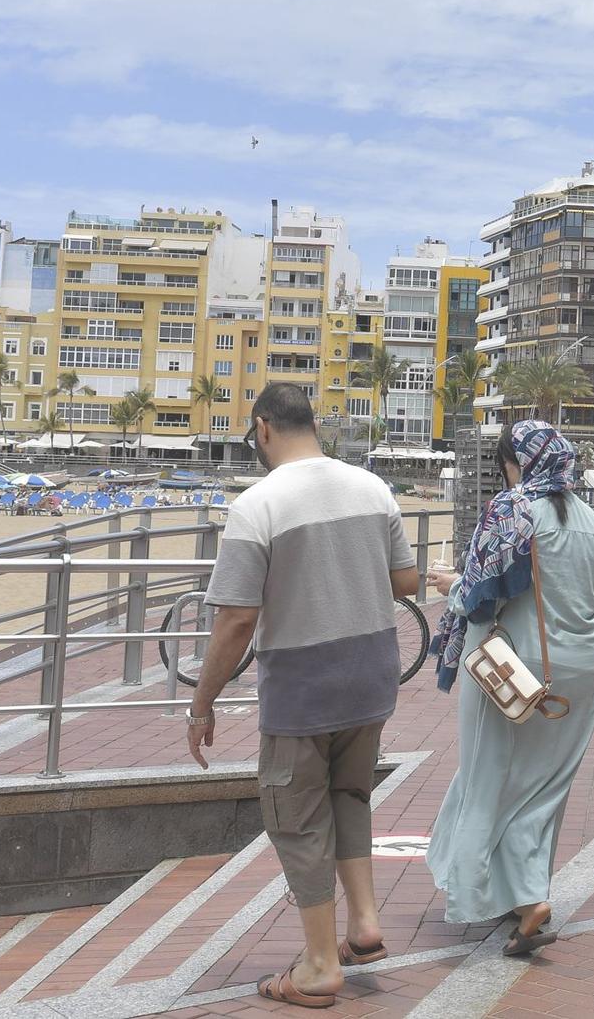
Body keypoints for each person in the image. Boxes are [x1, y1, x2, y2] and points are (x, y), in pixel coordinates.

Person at [186, 384, 419, 1008]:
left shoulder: (258, 504)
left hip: (303, 687)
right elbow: (406, 580)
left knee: (296, 817)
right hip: (371, 675)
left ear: (263, 428)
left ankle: (319, 965)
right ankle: (365, 927)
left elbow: (235, 622)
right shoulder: (372, 487)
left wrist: (201, 703)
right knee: (350, 794)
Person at [427, 420, 594, 956]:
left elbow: (481, 599)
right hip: (583, 673)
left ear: (513, 461)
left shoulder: (511, 509)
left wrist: (451, 585)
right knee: (546, 787)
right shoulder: (590, 519)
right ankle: (528, 895)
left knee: (488, 776)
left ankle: (487, 897)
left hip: (514, 671)